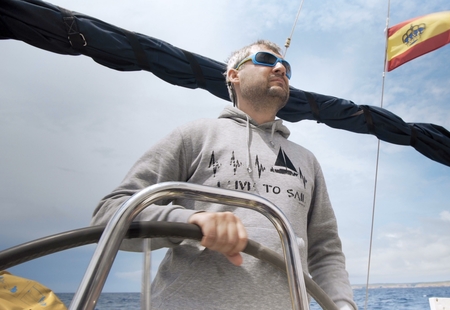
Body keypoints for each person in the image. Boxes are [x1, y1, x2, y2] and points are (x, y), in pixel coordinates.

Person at [91, 40, 357, 309]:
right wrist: (191, 220)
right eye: (266, 59)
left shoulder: (307, 161)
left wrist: (342, 305)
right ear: (234, 75)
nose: (280, 68)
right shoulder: (195, 136)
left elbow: (326, 250)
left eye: (286, 67)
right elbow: (108, 215)